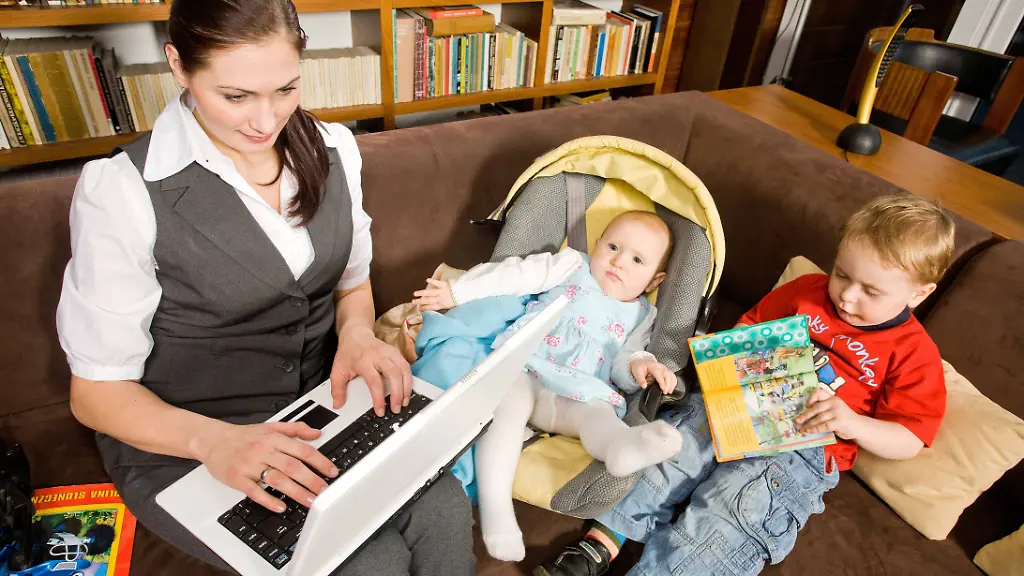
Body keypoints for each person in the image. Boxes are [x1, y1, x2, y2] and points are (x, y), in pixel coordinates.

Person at [55, 1, 475, 574]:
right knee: (368, 562)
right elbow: (96, 394)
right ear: (178, 66)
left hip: (318, 407)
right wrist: (215, 443)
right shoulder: (122, 192)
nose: (265, 119)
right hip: (188, 437)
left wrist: (355, 335)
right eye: (235, 96)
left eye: (285, 88)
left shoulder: (332, 148)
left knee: (447, 508)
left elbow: (350, 282)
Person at [536, 195, 954, 576]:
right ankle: (596, 548)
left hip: (803, 448)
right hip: (734, 403)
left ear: (920, 293)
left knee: (729, 512)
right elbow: (748, 330)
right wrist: (719, 353)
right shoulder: (806, 292)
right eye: (842, 274)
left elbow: (909, 438)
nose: (846, 296)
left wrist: (854, 424)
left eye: (871, 291)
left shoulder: (914, 353)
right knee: (665, 456)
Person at [412, 211, 685, 562]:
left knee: (596, 416)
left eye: (636, 260)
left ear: (653, 280)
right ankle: (497, 514)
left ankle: (621, 447)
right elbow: (512, 275)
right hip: (526, 367)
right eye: (613, 247)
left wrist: (642, 367)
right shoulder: (571, 264)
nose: (618, 262)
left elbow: (624, 363)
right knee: (505, 411)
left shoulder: (642, 314)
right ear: (597, 244)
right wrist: (457, 291)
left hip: (580, 391)